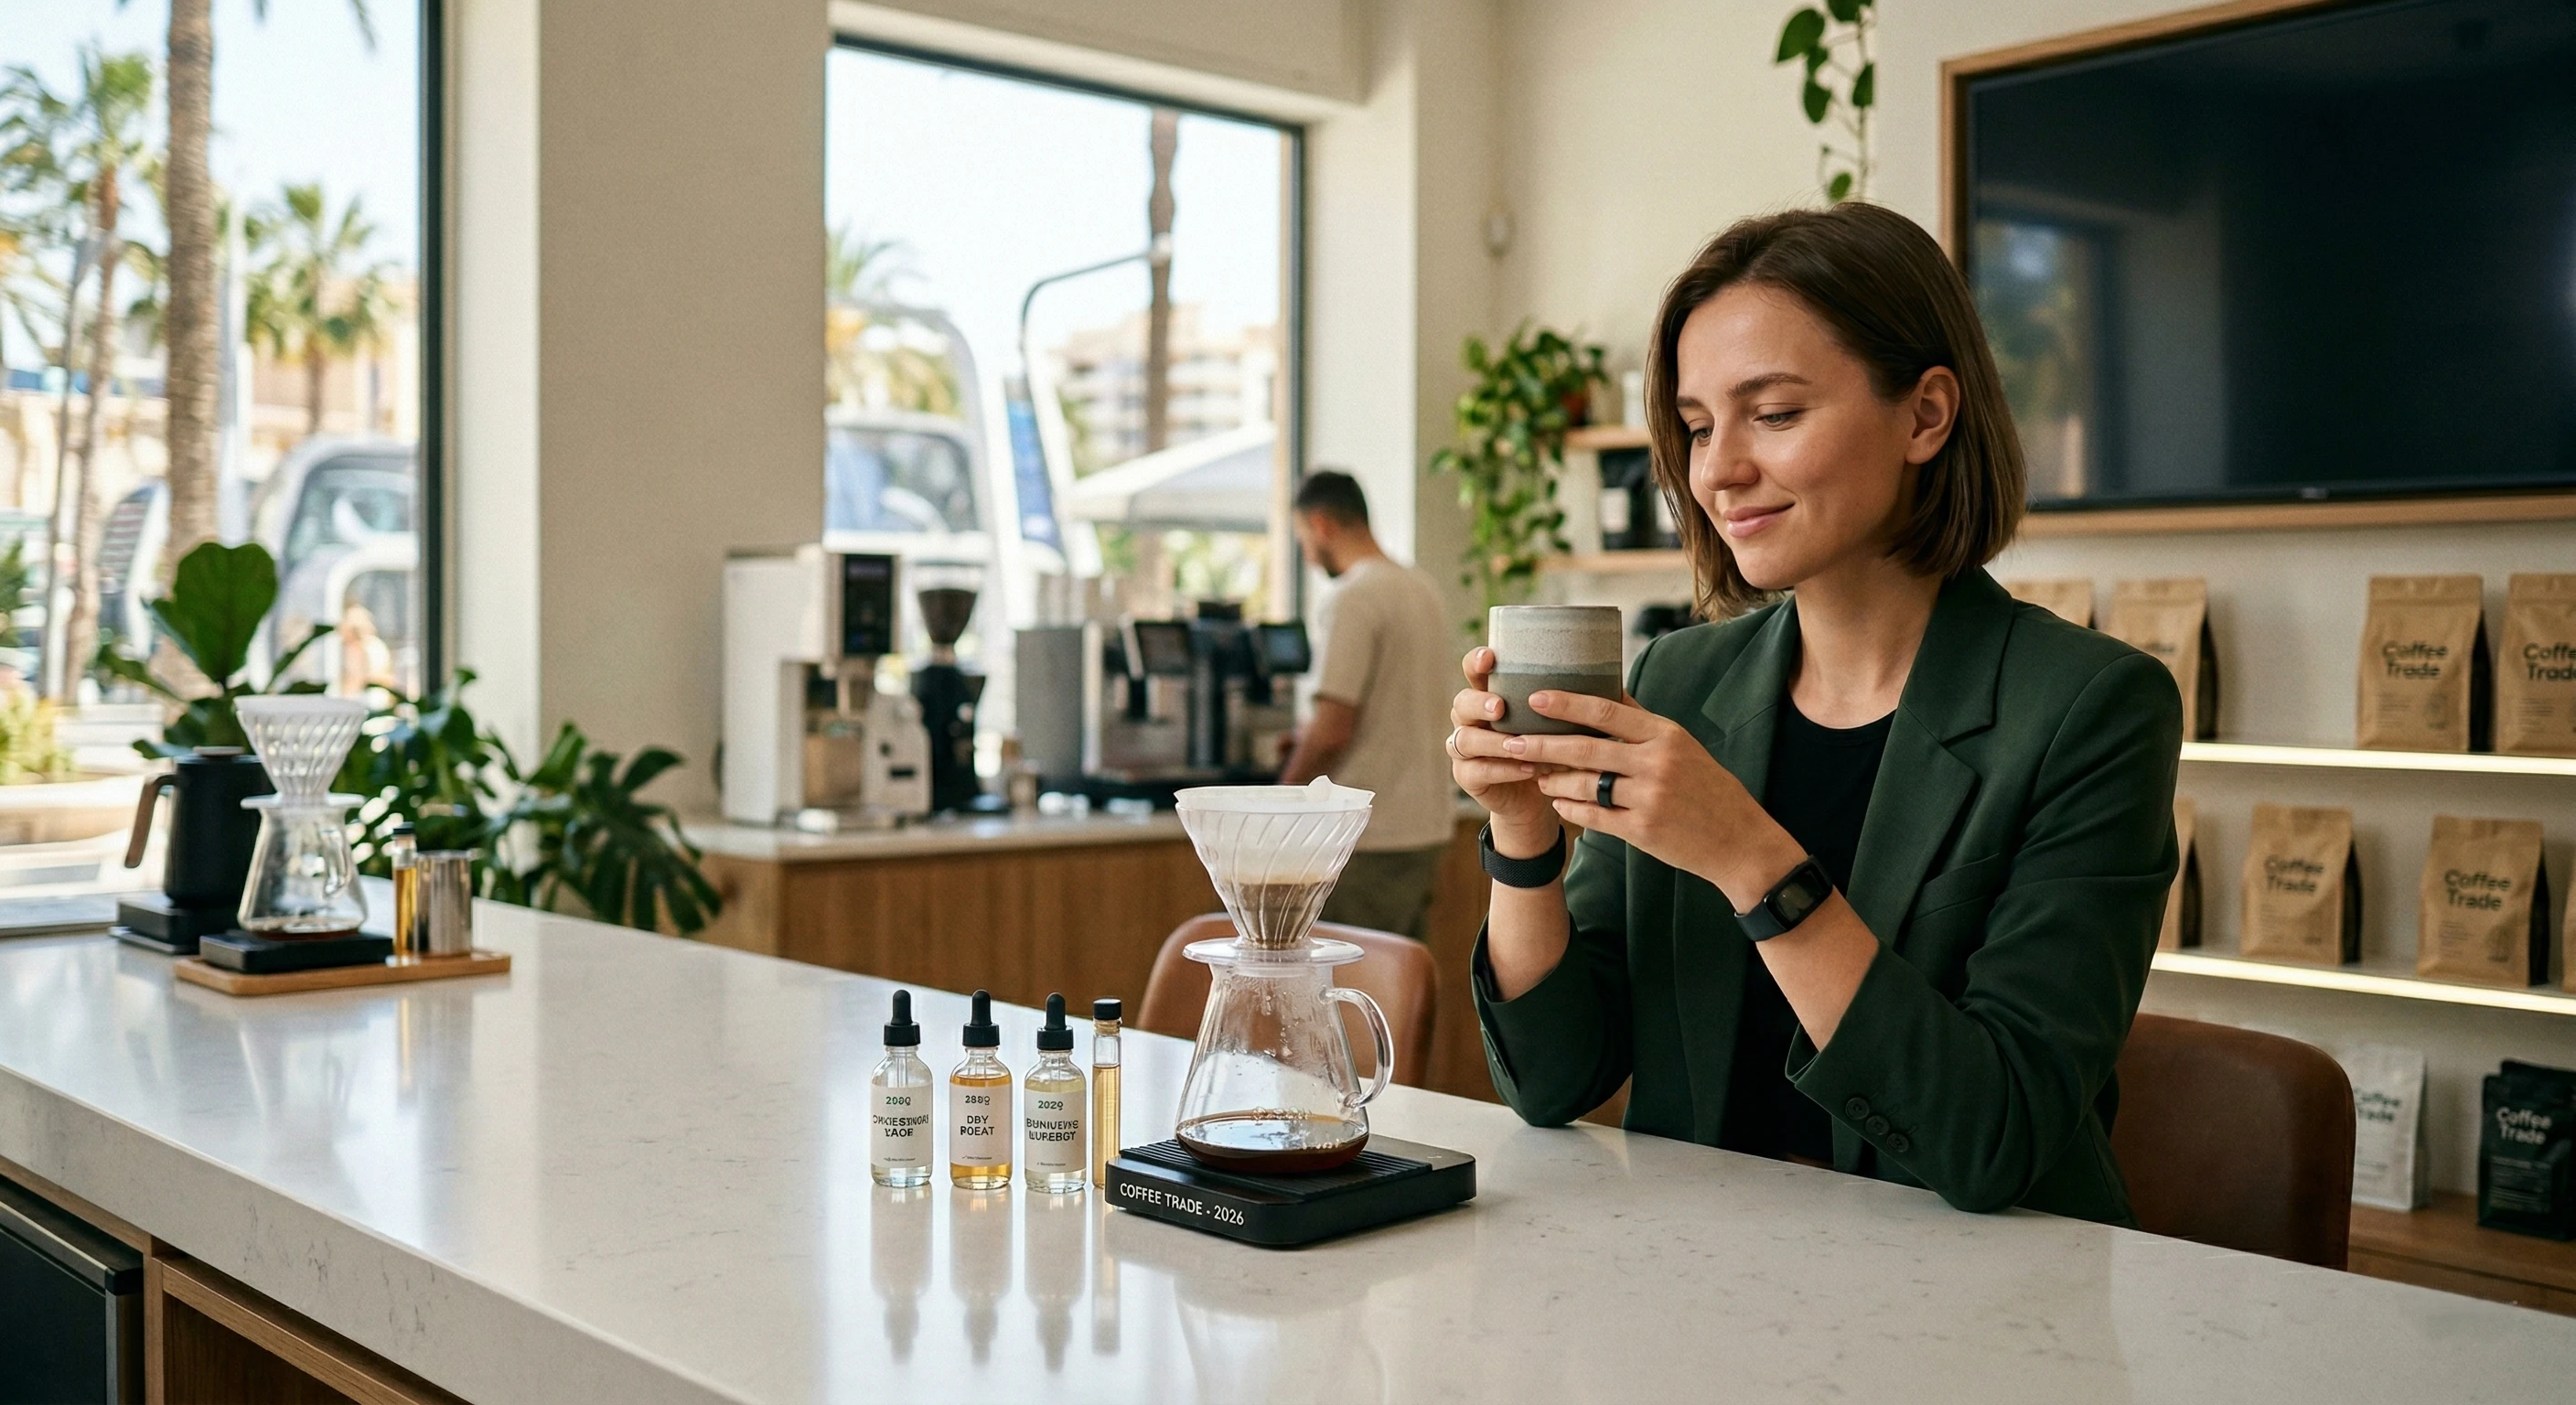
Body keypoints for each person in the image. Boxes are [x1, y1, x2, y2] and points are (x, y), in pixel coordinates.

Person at [1449, 204, 2180, 1226]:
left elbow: (1993, 1139)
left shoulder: (2088, 708)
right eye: (1698, 427)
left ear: (1925, 416)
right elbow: (1551, 1078)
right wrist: (1524, 836)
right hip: (1705, 1268)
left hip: (1977, 1295)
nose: (1717, 470)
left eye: (1775, 414)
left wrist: (1749, 858)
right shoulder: (1677, 681)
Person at [1282, 470, 1456, 940]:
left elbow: (1332, 730)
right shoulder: (1422, 588)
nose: (1306, 554)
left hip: (1364, 837)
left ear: (1320, 525)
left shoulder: (1352, 598)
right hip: (1425, 829)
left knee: (1348, 979)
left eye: (1301, 538)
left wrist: (1282, 802)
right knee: (1399, 976)